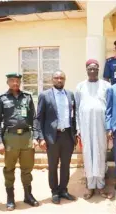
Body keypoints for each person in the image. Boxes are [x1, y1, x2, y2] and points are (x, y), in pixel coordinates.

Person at [0, 73, 39, 210]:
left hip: (26, 137)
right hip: (10, 138)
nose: (15, 83)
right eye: (12, 81)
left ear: (20, 82)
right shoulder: (2, 99)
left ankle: (28, 195)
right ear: (7, 82)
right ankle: (10, 198)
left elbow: (34, 118)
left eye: (17, 81)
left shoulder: (27, 97)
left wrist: (36, 136)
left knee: (27, 169)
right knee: (9, 169)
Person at [36, 71, 77, 204]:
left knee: (66, 165)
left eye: (62, 78)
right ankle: (54, 191)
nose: (59, 80)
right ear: (52, 80)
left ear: (65, 80)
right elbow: (39, 119)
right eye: (56, 78)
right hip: (52, 136)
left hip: (67, 135)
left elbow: (74, 116)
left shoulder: (70, 95)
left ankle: (63, 190)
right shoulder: (44, 95)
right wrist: (40, 137)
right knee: (53, 165)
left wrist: (75, 134)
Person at [75, 59, 113, 199]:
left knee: (100, 154)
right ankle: (90, 186)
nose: (93, 71)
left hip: (101, 125)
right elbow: (77, 109)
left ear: (98, 70)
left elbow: (109, 108)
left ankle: (101, 185)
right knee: (88, 154)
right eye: (90, 69)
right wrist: (78, 128)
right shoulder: (80, 86)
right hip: (85, 126)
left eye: (95, 69)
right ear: (86, 70)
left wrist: (109, 127)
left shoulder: (106, 86)